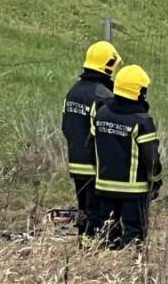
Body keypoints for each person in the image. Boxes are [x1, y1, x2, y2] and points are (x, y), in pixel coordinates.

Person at [93, 65, 162, 248]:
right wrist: (156, 181)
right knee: (134, 233)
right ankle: (129, 267)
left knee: (107, 233)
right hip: (134, 189)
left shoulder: (101, 113)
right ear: (140, 92)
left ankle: (106, 266)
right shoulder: (142, 120)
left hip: (104, 186)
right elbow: (151, 158)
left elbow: (90, 143)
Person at [62, 41, 121, 238]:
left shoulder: (73, 91)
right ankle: (97, 248)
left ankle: (84, 244)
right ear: (109, 65)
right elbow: (105, 135)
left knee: (84, 210)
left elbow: (66, 127)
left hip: (77, 162)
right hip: (96, 166)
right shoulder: (102, 95)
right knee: (99, 213)